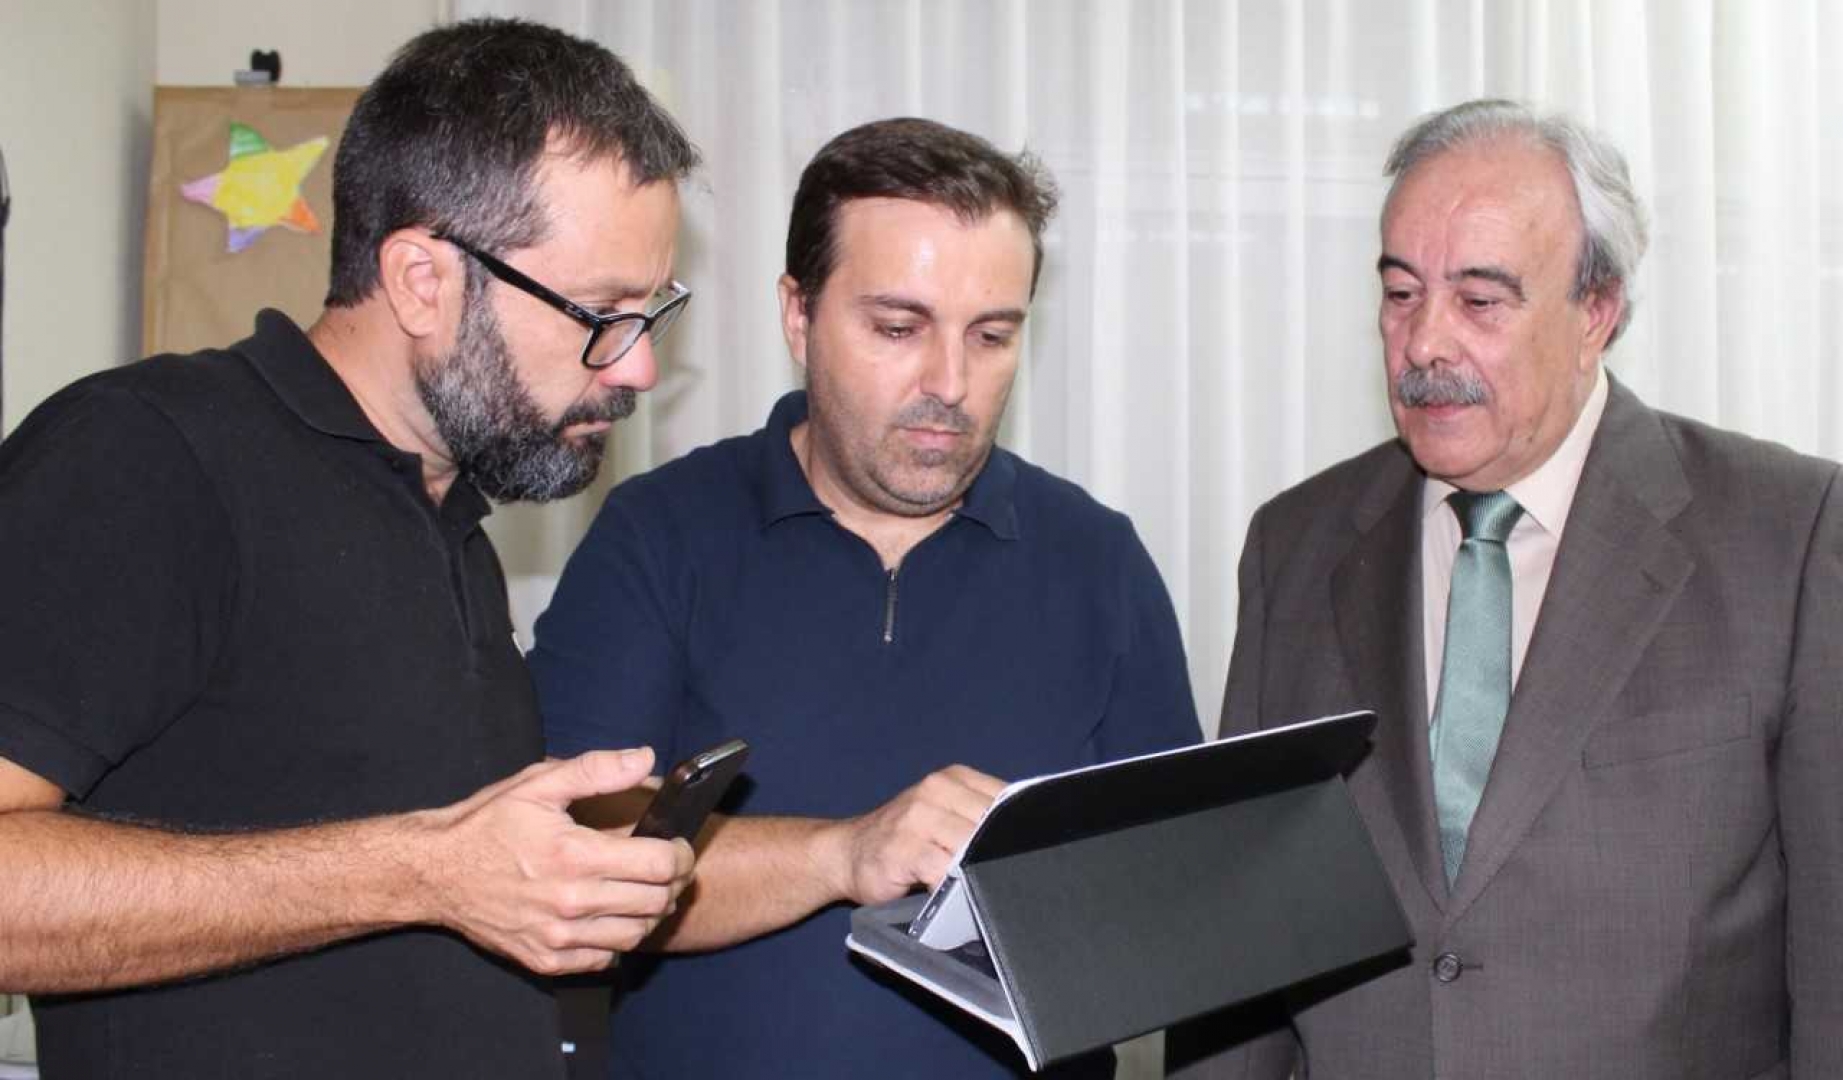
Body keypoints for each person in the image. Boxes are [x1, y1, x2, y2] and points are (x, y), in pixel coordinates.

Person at [0, 19, 704, 1079]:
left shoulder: (450, 515)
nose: (637, 367)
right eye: (600, 312)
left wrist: (557, 871)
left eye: (652, 312)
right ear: (420, 279)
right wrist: (424, 872)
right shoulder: (149, 456)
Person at [1167, 98, 1843, 1079]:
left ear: (1594, 312)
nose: (1423, 343)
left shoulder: (1788, 535)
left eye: (1479, 301)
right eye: (1400, 293)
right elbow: (1242, 952)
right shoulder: (1296, 545)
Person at [530, 117, 1201, 1079]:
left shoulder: (1101, 561)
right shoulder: (656, 537)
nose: (950, 384)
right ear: (797, 315)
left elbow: (1168, 904)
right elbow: (573, 869)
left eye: (991, 335)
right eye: (897, 328)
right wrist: (843, 855)